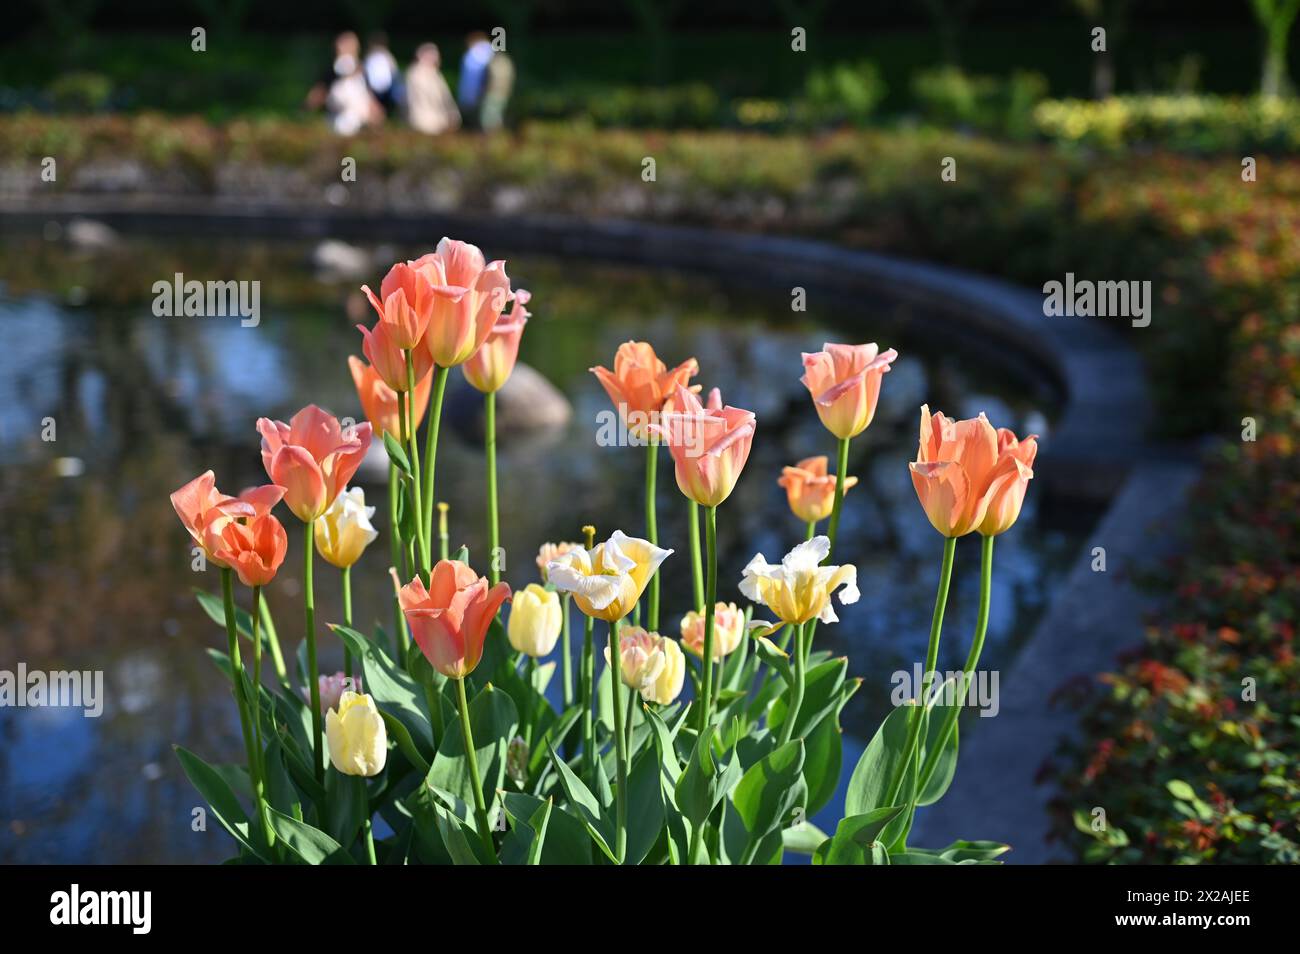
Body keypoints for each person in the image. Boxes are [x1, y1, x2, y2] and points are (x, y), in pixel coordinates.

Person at [405, 43, 461, 135]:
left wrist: (453, 114)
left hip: (435, 120)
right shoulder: (417, 73)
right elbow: (435, 97)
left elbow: (446, 97)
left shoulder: (433, 73)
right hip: (425, 120)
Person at [457, 31, 494, 129]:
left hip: (476, 93)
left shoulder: (473, 55)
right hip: (489, 93)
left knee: (477, 123)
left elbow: (469, 80)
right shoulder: (491, 52)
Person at [364, 31, 402, 117]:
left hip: (386, 89)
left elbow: (393, 72)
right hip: (375, 89)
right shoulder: (371, 57)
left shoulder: (386, 57)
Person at [481, 49, 514, 131]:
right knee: (498, 113)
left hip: (492, 92)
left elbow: (489, 78)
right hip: (503, 92)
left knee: (488, 115)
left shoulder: (493, 63)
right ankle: (496, 130)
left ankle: (489, 131)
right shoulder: (507, 62)